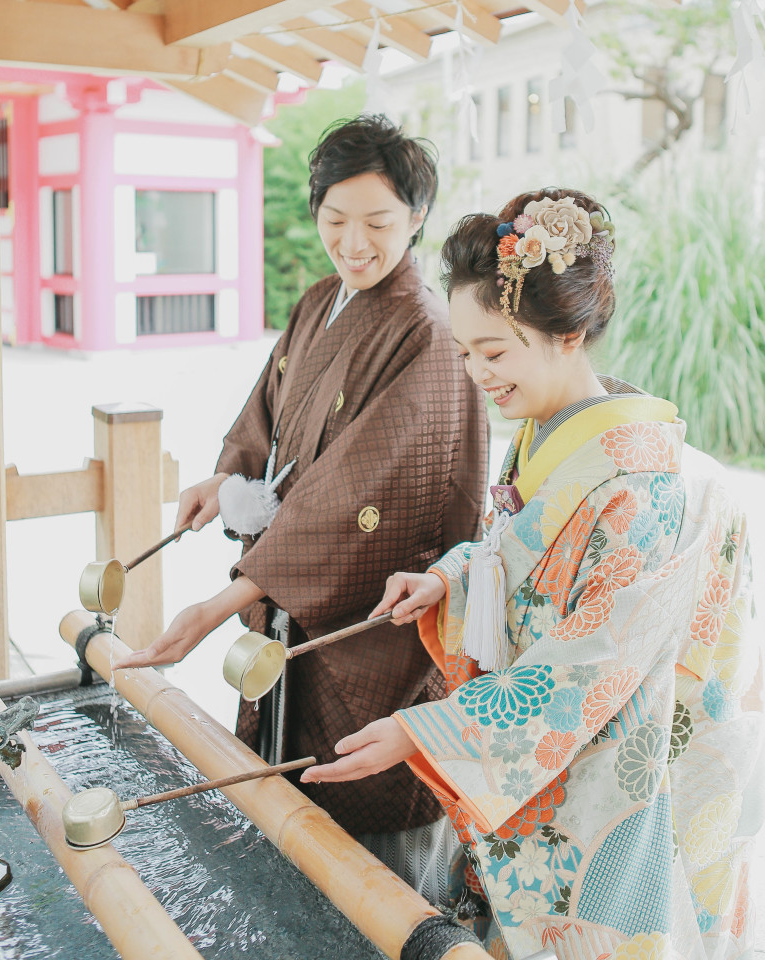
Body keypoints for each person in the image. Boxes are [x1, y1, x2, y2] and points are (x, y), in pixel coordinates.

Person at [302, 190, 764, 960]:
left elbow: (590, 661)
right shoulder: (546, 436)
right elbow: (518, 555)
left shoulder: (642, 489)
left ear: (568, 335)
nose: (477, 373)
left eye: (494, 352)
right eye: (465, 353)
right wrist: (451, 580)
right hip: (562, 748)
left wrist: (428, 730)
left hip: (620, 769)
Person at [116, 115, 490, 899]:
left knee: (374, 854)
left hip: (374, 630)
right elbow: (271, 417)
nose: (354, 244)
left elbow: (360, 495)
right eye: (335, 220)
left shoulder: (427, 332)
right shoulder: (322, 300)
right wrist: (228, 478)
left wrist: (223, 602)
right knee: (291, 835)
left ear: (417, 216)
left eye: (378, 223)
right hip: (295, 610)